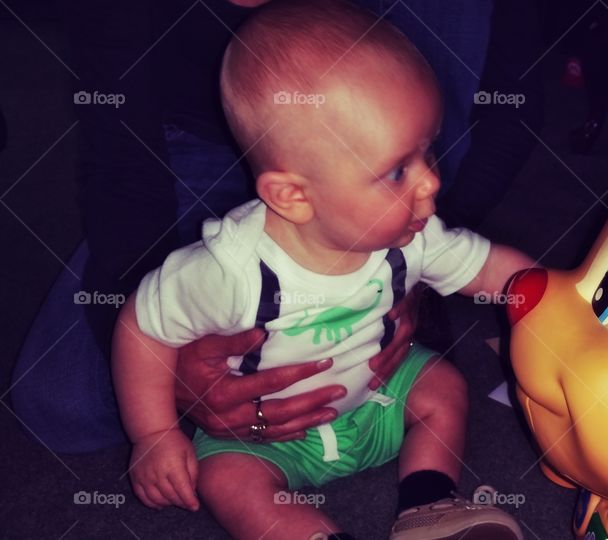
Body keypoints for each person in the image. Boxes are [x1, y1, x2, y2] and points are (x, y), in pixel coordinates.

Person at [112, 2, 535, 539]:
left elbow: (492, 270)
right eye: (398, 170)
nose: (430, 183)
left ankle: (430, 502)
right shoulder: (232, 270)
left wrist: (554, 296)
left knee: (442, 387)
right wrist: (152, 432)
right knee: (225, 478)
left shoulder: (416, 234)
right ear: (292, 196)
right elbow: (142, 325)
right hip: (260, 435)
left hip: (374, 402)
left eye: (427, 153)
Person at [12, 0, 492, 454]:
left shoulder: (412, 155)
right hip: (183, 146)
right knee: (65, 403)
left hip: (382, 149)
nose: (428, 180)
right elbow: (121, 161)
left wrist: (410, 262)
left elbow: (459, 116)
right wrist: (170, 383)